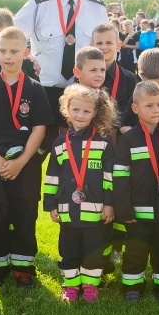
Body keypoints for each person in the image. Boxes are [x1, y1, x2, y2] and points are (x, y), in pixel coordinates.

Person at [0, 27, 53, 287]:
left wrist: (23, 160)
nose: (8, 56)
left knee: (25, 214)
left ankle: (23, 268)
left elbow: (40, 127)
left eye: (14, 51)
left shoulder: (36, 90)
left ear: (26, 53)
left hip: (25, 166)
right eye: (2, 50)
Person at [14, 0, 108, 141]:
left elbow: (107, 48)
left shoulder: (97, 9)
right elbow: (12, 37)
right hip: (44, 90)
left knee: (78, 150)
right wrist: (26, 55)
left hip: (82, 93)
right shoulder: (39, 5)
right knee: (38, 148)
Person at [113, 81, 159, 305]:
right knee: (135, 250)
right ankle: (132, 286)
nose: (156, 110)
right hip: (137, 212)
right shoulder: (128, 140)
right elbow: (120, 178)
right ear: (135, 109)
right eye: (149, 105)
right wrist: (123, 209)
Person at [43, 84, 116, 302]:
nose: (80, 115)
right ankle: (71, 286)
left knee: (93, 251)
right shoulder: (59, 143)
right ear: (66, 109)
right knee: (69, 250)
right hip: (68, 209)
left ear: (95, 112)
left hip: (94, 212)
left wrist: (110, 204)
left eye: (86, 111)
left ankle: (91, 286)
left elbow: (110, 176)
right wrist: (51, 204)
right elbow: (52, 176)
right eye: (75, 110)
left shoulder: (103, 141)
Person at [92, 22, 138, 117]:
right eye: (99, 43)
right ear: (92, 46)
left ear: (118, 45)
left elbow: (133, 115)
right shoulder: (84, 77)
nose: (104, 47)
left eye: (109, 43)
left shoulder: (130, 79)